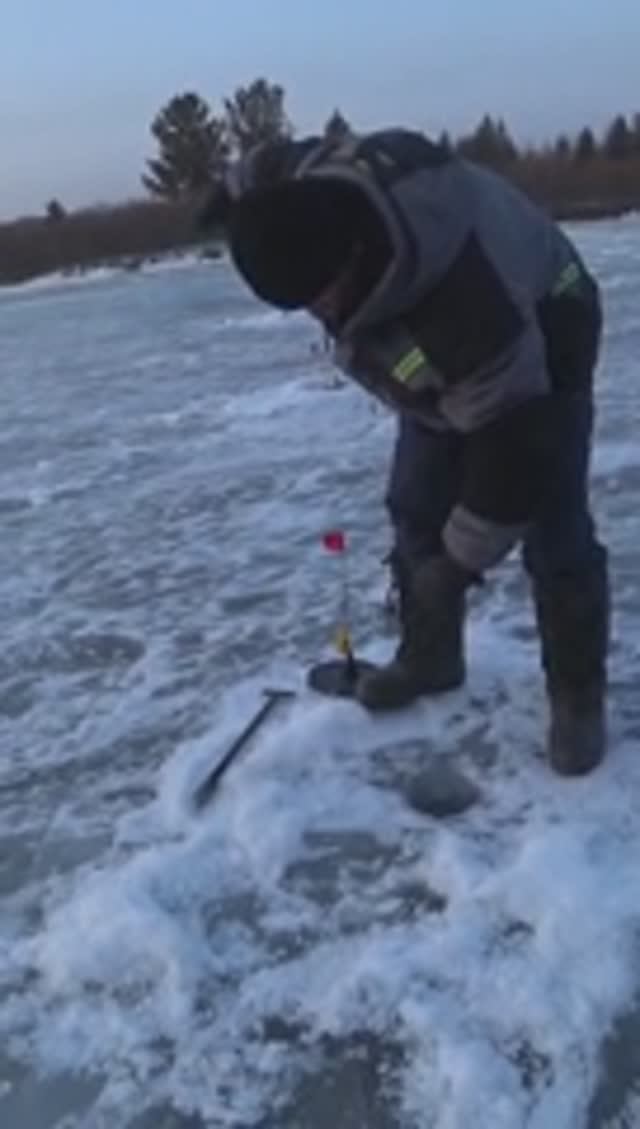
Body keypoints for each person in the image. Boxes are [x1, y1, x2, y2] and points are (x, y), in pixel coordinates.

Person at [203, 127, 609, 777]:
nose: (318, 314)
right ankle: (432, 657)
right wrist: (224, 200)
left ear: (353, 253)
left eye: (319, 296)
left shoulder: (469, 306)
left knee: (552, 521)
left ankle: (577, 698)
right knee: (417, 498)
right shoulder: (311, 187)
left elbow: (515, 453)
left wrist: (457, 565)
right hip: (442, 331)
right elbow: (261, 167)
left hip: (547, 311)